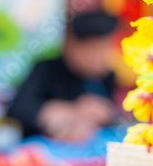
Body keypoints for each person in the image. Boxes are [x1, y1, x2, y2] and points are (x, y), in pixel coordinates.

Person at [7, 11, 118, 141]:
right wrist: (71, 111)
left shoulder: (106, 76)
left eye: (106, 48)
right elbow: (18, 110)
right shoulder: (46, 69)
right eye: (95, 49)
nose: (101, 57)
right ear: (72, 44)